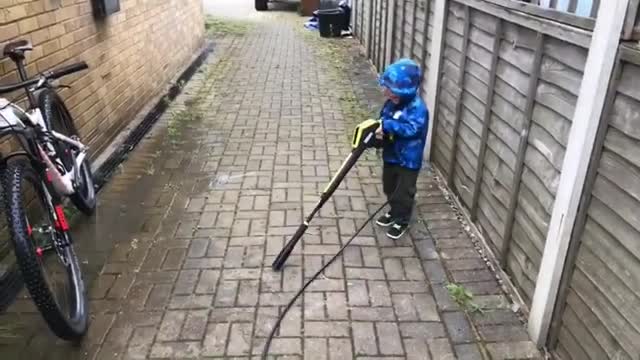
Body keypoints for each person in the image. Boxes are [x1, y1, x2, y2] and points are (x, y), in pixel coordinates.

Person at [374, 58, 429, 240]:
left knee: (404, 191)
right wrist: (379, 130)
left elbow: (413, 129)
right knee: (389, 185)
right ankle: (393, 209)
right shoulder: (391, 104)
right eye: (388, 91)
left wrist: (388, 126)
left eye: (394, 93)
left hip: (408, 159)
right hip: (391, 154)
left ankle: (402, 219)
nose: (389, 95)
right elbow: (383, 118)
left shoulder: (418, 109)